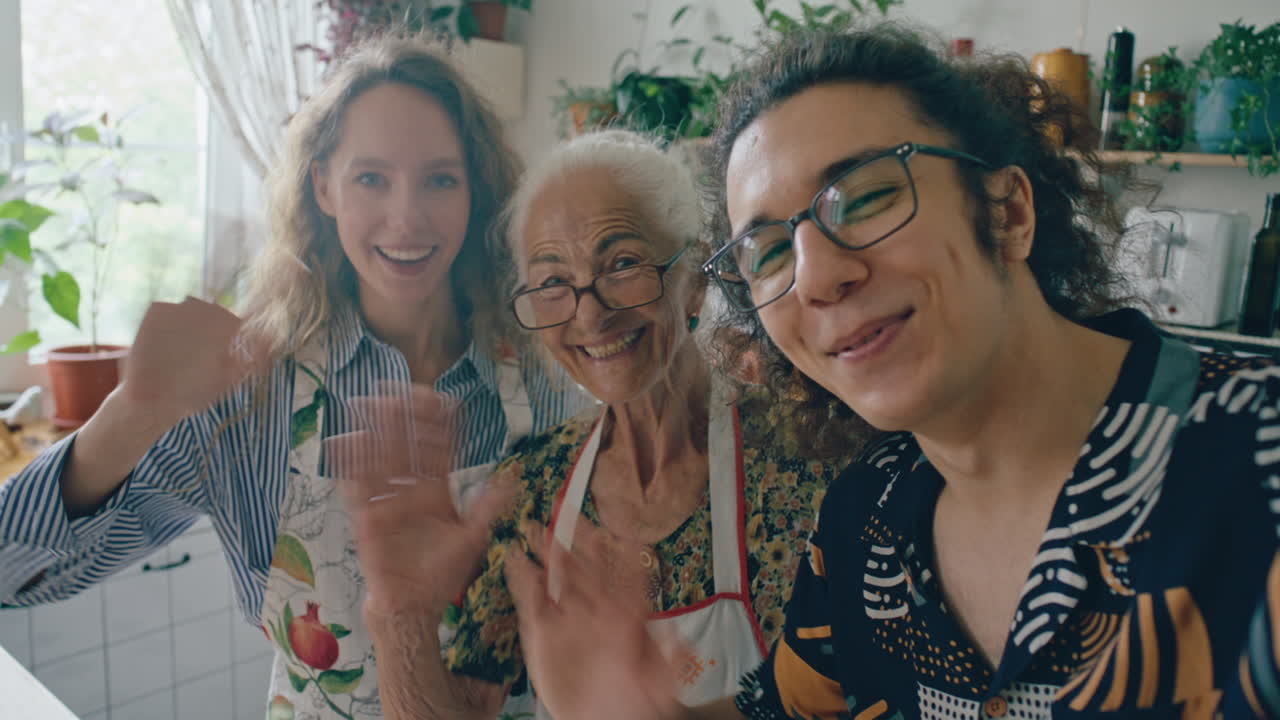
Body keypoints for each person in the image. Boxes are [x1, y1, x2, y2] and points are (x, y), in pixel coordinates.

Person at [493, 25, 1280, 720]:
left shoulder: (1256, 464)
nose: (817, 277)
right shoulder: (866, 521)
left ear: (1007, 211)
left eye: (864, 198)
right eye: (768, 250)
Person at [0, 33, 587, 720]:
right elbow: (12, 574)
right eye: (371, 178)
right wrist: (132, 411)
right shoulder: (248, 394)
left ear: (475, 192)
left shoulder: (543, 379)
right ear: (323, 186)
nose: (407, 217)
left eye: (439, 178)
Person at [335, 130, 858, 719]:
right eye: (553, 282)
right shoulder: (532, 488)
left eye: (624, 262)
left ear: (696, 277)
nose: (590, 313)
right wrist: (401, 618)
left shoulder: (810, 462)